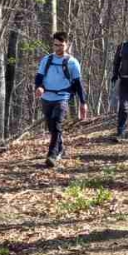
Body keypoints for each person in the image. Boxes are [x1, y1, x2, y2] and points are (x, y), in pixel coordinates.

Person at [35, 31, 88, 167]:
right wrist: (39, 87)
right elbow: (39, 77)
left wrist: (83, 103)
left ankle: (51, 155)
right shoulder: (46, 60)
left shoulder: (72, 63)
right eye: (55, 45)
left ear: (67, 44)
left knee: (57, 123)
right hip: (46, 97)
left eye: (61, 45)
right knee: (51, 127)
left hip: (62, 97)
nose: (58, 48)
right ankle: (60, 148)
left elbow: (78, 83)